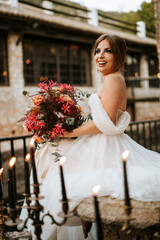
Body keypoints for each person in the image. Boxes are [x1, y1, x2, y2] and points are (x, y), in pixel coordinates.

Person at [19, 34, 160, 240]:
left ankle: (37, 228)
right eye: (97, 51)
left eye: (108, 51)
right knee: (50, 154)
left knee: (53, 162)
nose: (100, 56)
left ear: (119, 55)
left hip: (106, 145)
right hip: (100, 141)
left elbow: (105, 123)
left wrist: (69, 132)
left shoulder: (113, 79)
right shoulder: (111, 78)